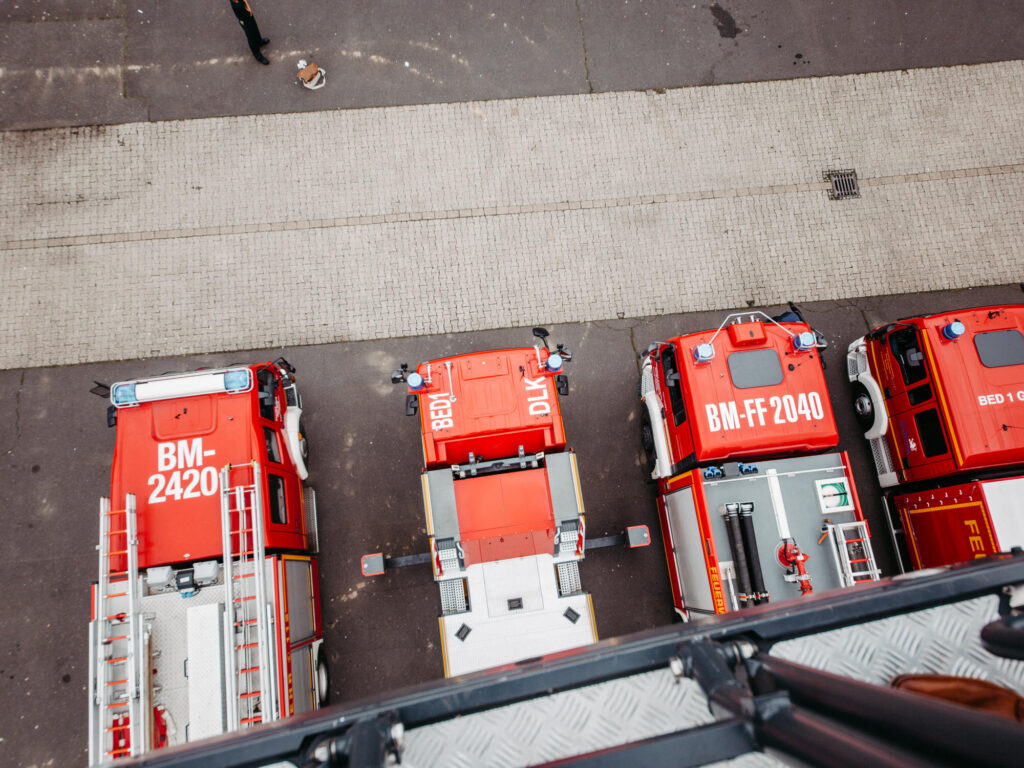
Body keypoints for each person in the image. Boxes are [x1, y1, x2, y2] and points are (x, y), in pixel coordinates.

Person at [229, 0, 270, 65]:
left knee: (255, 29)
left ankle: (259, 41)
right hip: (245, 21)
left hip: (247, 16)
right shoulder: (237, 6)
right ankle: (258, 56)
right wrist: (246, 4)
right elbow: (249, 13)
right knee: (251, 37)